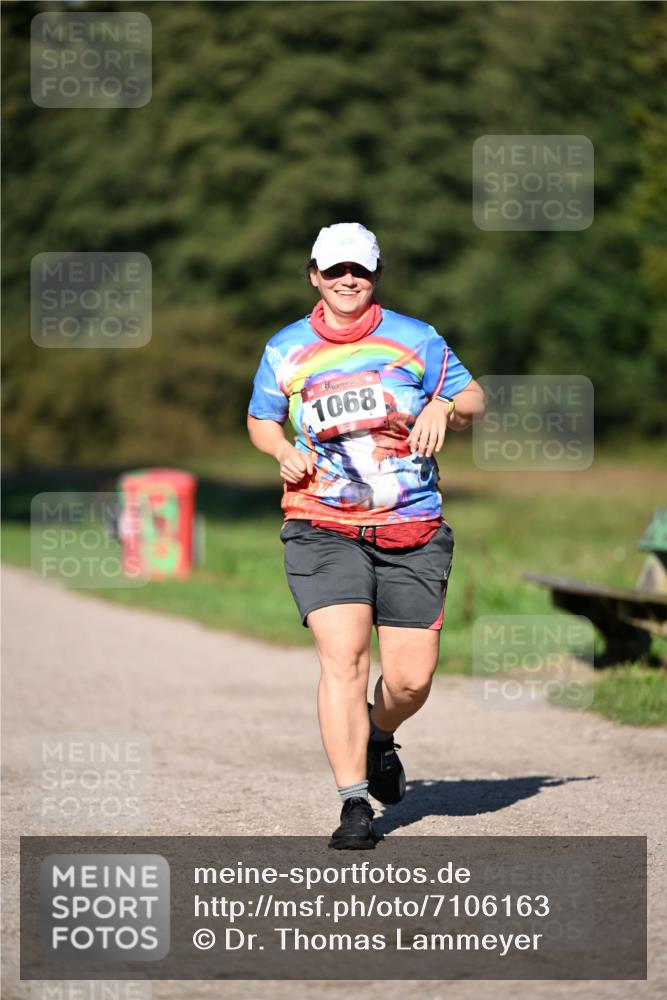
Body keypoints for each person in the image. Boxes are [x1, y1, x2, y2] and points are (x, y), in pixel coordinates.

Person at [247, 222, 485, 850]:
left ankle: (379, 736)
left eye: (360, 270)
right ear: (314, 275)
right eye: (334, 270)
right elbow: (261, 419)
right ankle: (354, 803)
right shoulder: (285, 348)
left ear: (376, 274)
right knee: (344, 659)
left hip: (412, 526)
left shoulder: (416, 338)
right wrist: (279, 451)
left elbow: (475, 399)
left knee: (409, 682)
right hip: (321, 523)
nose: (347, 280)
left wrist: (442, 407)